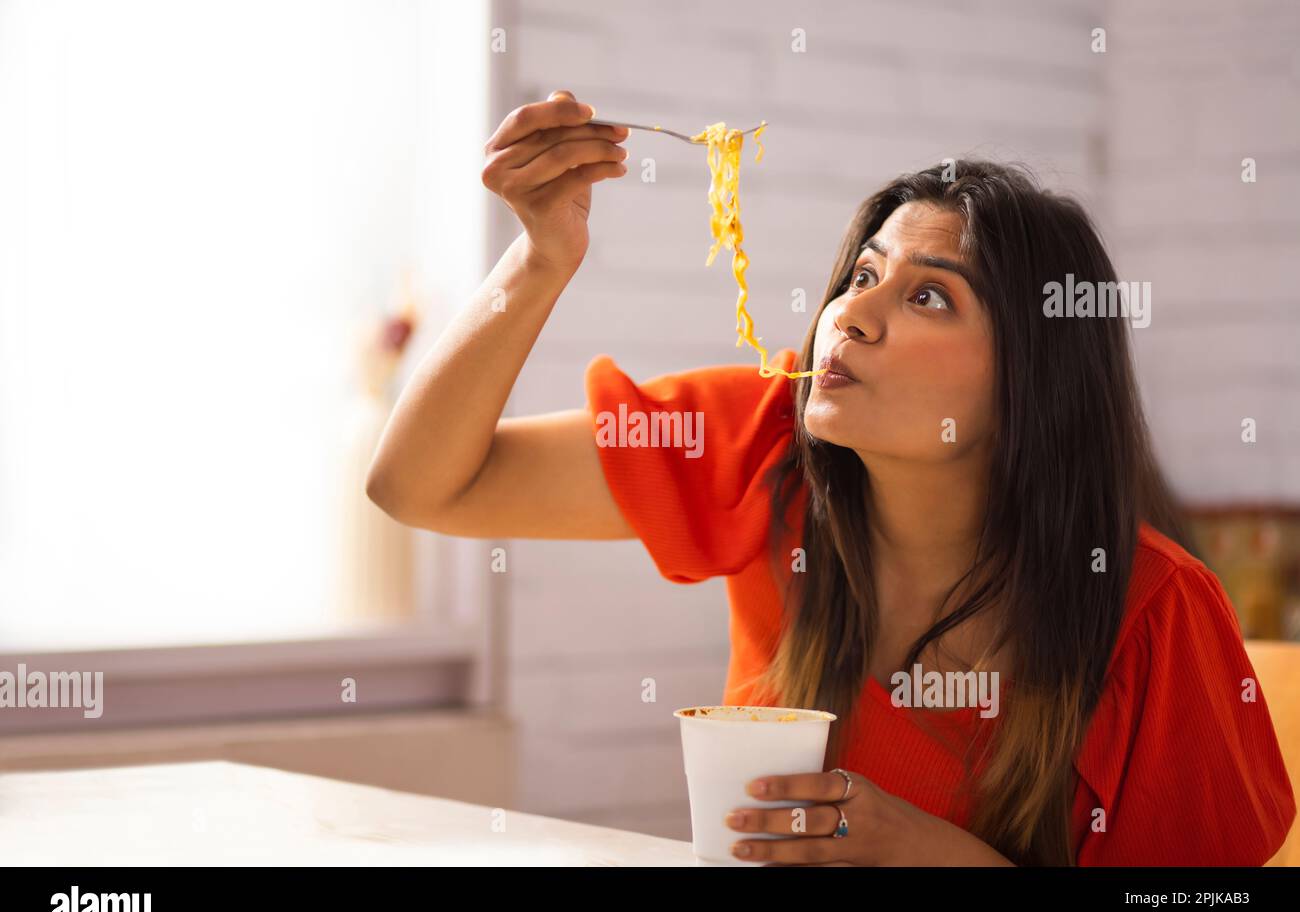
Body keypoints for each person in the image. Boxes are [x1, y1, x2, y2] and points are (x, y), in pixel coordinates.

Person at [366, 90, 1296, 866]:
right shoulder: (764, 445)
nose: (850, 316)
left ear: (1029, 383)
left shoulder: (1154, 609)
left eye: (929, 294)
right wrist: (539, 260)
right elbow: (421, 486)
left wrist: (933, 854)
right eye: (862, 273)